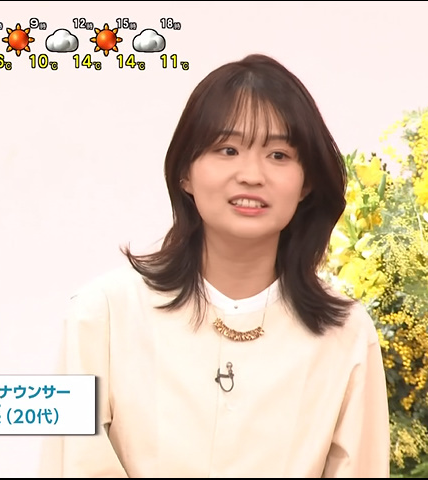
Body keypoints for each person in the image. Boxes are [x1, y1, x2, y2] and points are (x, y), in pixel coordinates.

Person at [41, 53, 390, 478]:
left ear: (306, 183)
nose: (251, 175)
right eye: (228, 149)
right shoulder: (104, 313)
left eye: (279, 155)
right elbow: (73, 464)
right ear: (185, 173)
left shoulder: (345, 333)